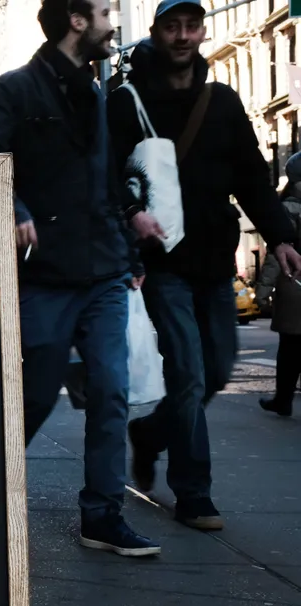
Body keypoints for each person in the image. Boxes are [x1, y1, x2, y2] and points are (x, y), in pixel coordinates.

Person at [0, 0, 160, 556]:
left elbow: (102, 183)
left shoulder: (96, 94)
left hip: (104, 272)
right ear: (77, 20)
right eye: (103, 12)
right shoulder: (15, 89)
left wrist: (131, 249)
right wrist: (17, 207)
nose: (112, 23)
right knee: (31, 395)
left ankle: (103, 516)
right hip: (45, 275)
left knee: (111, 393)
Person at [110, 0, 301, 531]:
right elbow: (106, 173)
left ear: (201, 32)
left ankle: (150, 434)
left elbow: (251, 178)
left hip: (216, 259)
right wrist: (131, 215)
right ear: (156, 32)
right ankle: (194, 492)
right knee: (189, 371)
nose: (183, 35)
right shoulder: (126, 100)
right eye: (173, 26)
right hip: (163, 261)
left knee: (216, 369)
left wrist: (280, 237)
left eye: (192, 25)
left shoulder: (223, 101)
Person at [256, 152, 301, 417]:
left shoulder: (287, 209)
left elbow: (277, 255)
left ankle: (282, 399)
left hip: (294, 283)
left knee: (290, 347)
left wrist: (261, 293)